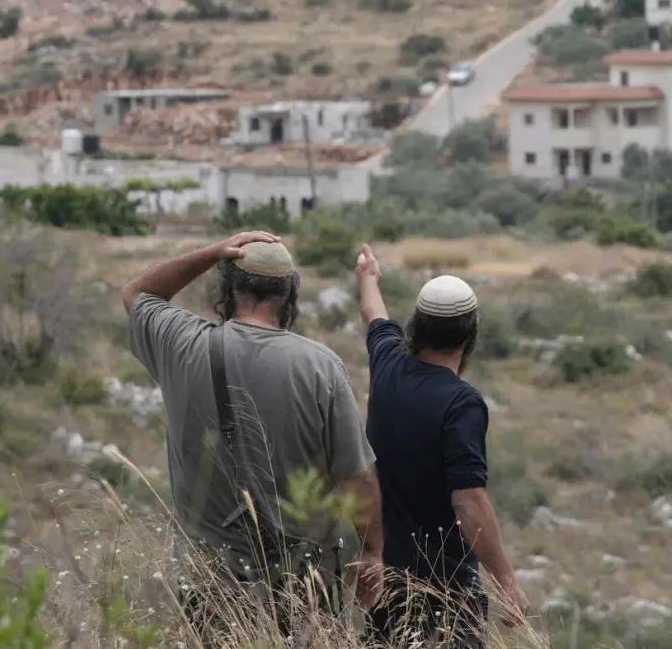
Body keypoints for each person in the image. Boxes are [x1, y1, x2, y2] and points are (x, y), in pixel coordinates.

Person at [120, 231, 384, 635]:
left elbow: (139, 293)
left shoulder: (181, 344)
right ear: (289, 296)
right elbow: (358, 478)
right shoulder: (320, 368)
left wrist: (214, 252)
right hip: (303, 585)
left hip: (210, 584)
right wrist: (371, 551)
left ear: (226, 287)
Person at [353, 243, 529, 648]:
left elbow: (373, 314)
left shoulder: (388, 365)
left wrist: (368, 277)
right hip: (444, 594)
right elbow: (468, 501)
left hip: (386, 582)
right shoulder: (461, 403)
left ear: (416, 325)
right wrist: (507, 585)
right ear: (471, 334)